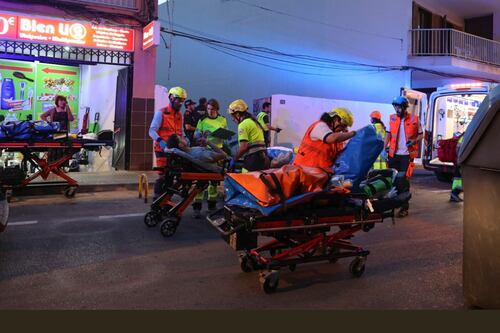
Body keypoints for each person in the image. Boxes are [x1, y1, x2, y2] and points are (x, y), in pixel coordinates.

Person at [385, 96, 423, 218]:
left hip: (406, 156)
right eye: (395, 106)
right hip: (393, 155)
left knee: (403, 181)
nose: (397, 109)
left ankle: (404, 207)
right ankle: (393, 204)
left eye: (399, 106)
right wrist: (383, 148)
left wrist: (414, 141)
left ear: (405, 107)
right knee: (393, 181)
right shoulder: (391, 118)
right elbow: (388, 135)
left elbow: (421, 135)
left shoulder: (415, 119)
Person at [149, 86, 187, 200]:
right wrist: (160, 141)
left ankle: (166, 201)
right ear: (171, 98)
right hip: (162, 149)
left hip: (174, 150)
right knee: (163, 176)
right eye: (178, 100)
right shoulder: (161, 113)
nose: (180, 103)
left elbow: (180, 132)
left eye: (182, 101)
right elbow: (151, 131)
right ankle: (157, 201)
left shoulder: (180, 116)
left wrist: (186, 140)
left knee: (171, 177)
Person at [193, 99, 228, 216]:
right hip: (206, 152)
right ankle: (197, 208)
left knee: (214, 181)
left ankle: (211, 206)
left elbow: (226, 135)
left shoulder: (222, 119)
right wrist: (201, 135)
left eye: (212, 109)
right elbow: (196, 134)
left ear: (217, 109)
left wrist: (221, 134)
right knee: (201, 180)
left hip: (218, 152)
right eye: (208, 109)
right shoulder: (202, 120)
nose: (210, 111)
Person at [227, 99, 269, 172]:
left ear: (237, 114)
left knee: (245, 181)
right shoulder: (254, 122)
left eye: (232, 117)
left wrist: (234, 159)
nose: (233, 120)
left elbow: (243, 148)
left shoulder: (243, 125)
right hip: (264, 158)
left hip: (253, 160)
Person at [450, 134, 464, 202]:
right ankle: (454, 193)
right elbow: (459, 149)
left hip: (459, 160)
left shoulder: (463, 137)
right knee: (464, 179)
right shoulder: (465, 137)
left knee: (458, 178)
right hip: (461, 161)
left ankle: (454, 194)